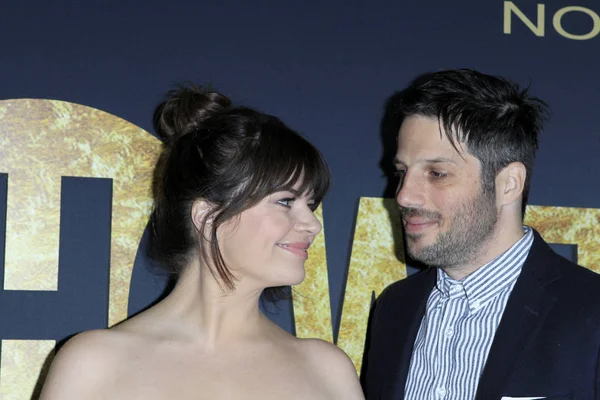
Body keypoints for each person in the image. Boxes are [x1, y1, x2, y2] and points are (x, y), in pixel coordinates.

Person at [40, 85, 364, 400]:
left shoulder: (326, 370)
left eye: (311, 205)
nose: (312, 224)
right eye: (285, 201)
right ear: (207, 216)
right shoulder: (94, 364)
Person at [360, 69, 600, 400]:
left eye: (437, 173)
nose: (403, 196)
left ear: (508, 183)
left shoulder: (590, 312)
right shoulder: (394, 308)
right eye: (402, 172)